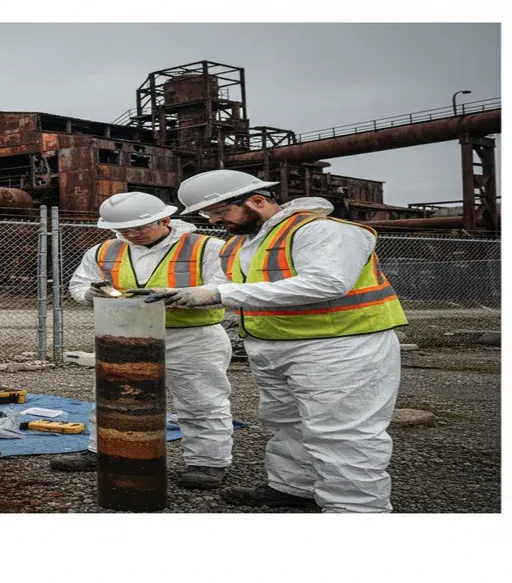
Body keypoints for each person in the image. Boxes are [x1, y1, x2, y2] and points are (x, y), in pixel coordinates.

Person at [132, 169, 407, 513]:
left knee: (343, 434)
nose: (215, 221)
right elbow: (245, 290)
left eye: (219, 212)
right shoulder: (242, 244)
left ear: (257, 201)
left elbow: (327, 283)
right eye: (208, 215)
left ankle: (355, 510)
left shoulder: (322, 231)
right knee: (286, 424)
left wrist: (216, 293)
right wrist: (184, 294)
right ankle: (294, 488)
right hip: (275, 345)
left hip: (340, 347)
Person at [53, 191, 234, 490]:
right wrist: (90, 293)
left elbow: (227, 288)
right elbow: (79, 284)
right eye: (123, 230)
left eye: (138, 228)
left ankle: (208, 462)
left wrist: (186, 296)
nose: (131, 235)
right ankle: (103, 451)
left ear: (164, 220)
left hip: (190, 336)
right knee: (113, 398)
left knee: (200, 399)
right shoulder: (104, 250)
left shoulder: (207, 247)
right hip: (127, 334)